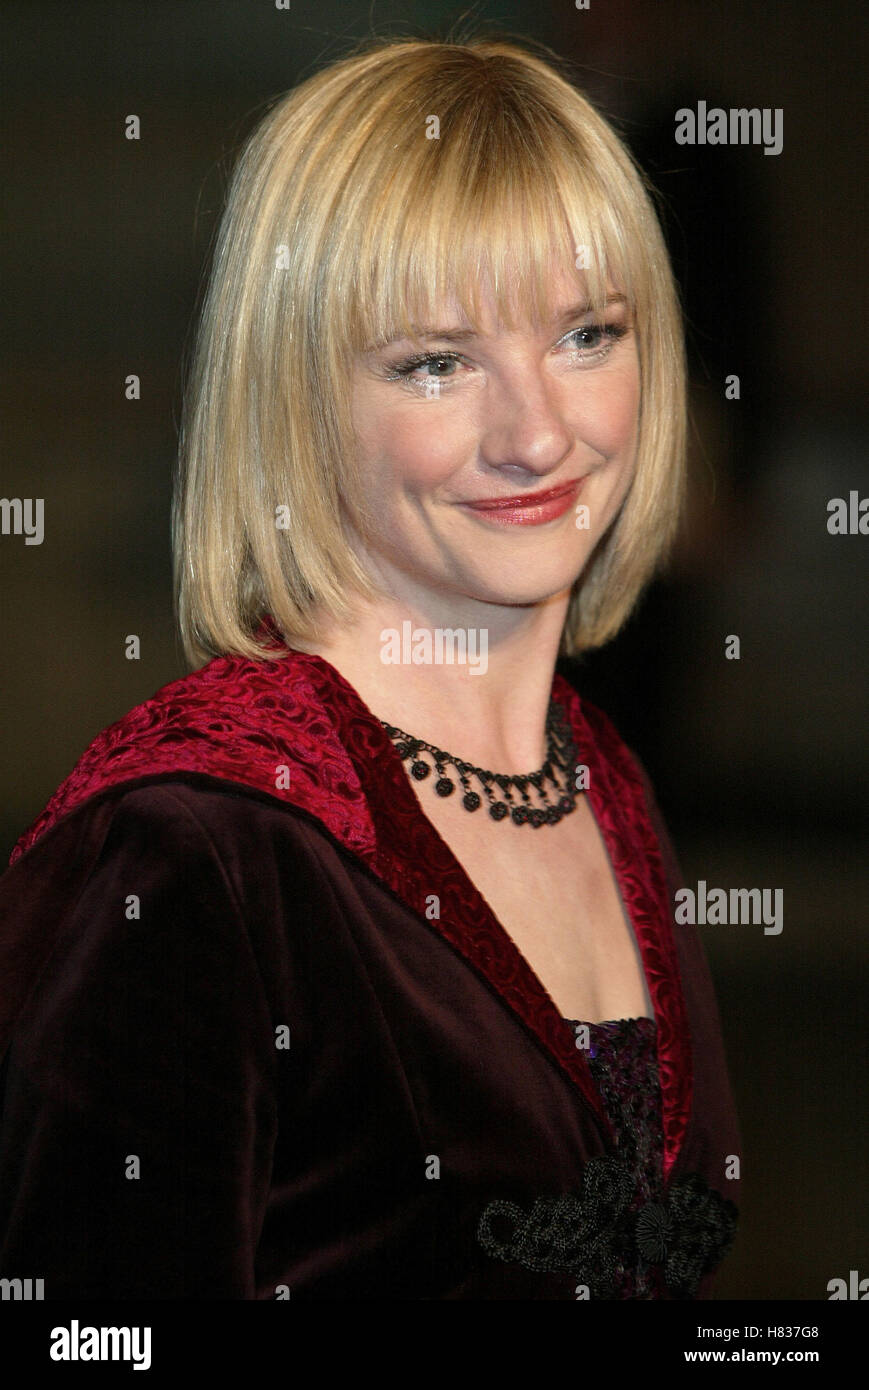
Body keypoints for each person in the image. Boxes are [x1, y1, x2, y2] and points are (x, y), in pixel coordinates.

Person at [0, 36, 740, 1300]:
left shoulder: (602, 782)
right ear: (297, 397)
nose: (537, 433)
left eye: (584, 333)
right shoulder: (194, 845)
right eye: (436, 361)